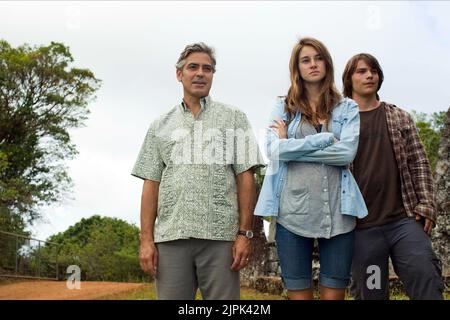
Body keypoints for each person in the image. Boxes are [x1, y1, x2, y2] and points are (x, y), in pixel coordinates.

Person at [131, 42, 264, 300]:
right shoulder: (160, 125)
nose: (200, 73)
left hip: (221, 239)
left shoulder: (234, 118)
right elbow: (151, 182)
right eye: (193, 67)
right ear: (179, 74)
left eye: (208, 68)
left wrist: (244, 234)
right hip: (171, 239)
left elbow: (246, 177)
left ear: (213, 75)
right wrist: (146, 240)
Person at [255, 37, 367, 300]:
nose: (313, 64)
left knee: (333, 297)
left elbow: (346, 154)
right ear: (297, 67)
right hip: (292, 215)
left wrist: (291, 146)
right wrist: (325, 138)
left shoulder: (347, 107)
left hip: (339, 215)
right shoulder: (282, 106)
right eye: (306, 60)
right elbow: (272, 150)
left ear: (327, 64)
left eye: (318, 58)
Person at [342, 53, 444, 300]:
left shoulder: (399, 117)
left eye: (374, 71)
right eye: (362, 71)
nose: (369, 75)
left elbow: (419, 162)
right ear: (348, 79)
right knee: (372, 292)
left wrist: (427, 204)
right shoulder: (339, 122)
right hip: (363, 229)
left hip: (404, 222)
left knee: (426, 278)